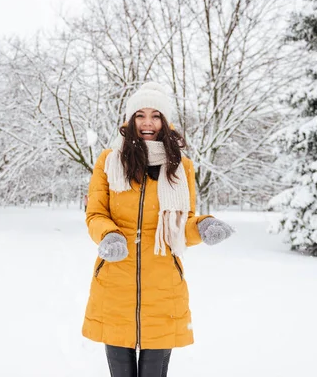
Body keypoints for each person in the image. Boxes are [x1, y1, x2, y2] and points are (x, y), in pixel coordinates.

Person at [83, 82, 234, 377]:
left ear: (166, 122)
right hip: (115, 280)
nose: (148, 123)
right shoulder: (108, 161)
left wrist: (203, 226)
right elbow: (96, 213)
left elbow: (182, 224)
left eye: (156, 115)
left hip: (163, 285)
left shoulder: (181, 166)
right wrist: (109, 234)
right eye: (140, 115)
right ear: (130, 120)